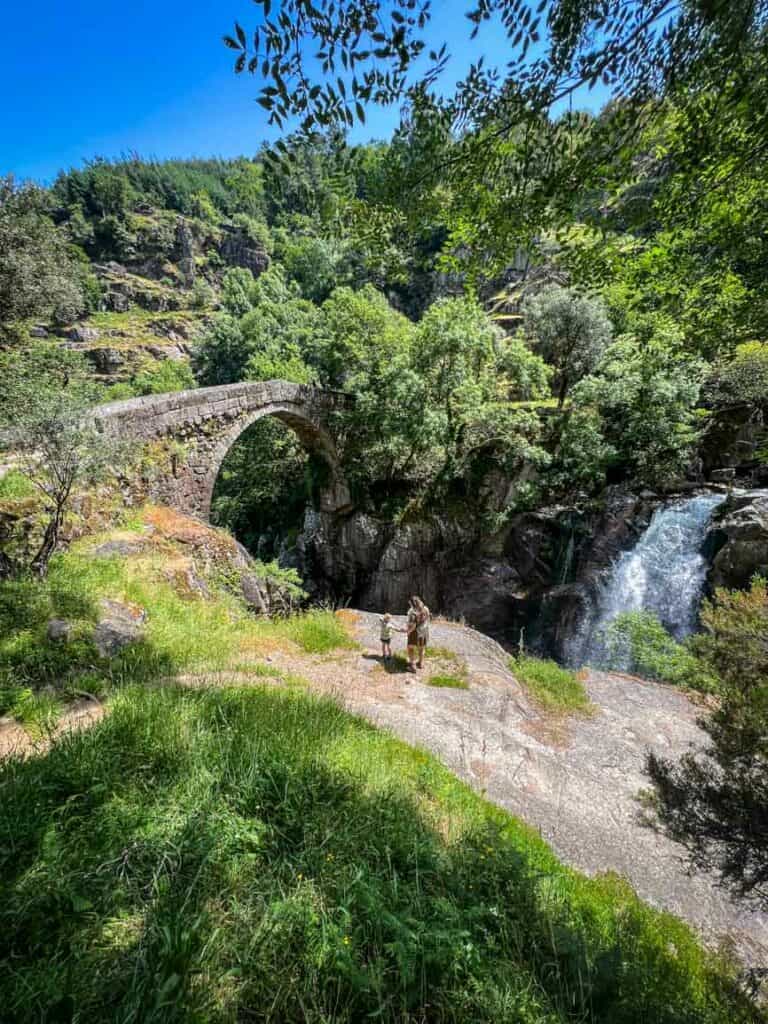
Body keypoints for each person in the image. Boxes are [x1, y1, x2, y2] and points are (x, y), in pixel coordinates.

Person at [406, 595, 430, 671]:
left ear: (412, 604)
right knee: (421, 648)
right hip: (424, 632)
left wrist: (408, 632)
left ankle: (412, 666)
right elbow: (428, 618)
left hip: (415, 633)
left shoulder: (413, 613)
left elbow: (413, 626)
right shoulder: (425, 609)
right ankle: (420, 663)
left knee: (410, 648)